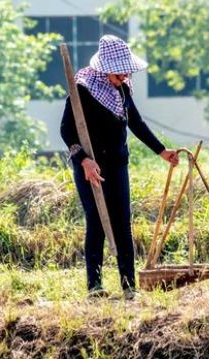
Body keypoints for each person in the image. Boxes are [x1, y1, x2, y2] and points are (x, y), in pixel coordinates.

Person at [60, 35, 179, 300]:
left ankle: (129, 286)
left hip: (117, 165)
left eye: (126, 72)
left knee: (122, 223)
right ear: (105, 69)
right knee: (97, 221)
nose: (124, 76)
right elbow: (67, 129)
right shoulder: (82, 89)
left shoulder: (123, 88)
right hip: (90, 167)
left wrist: (162, 151)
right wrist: (84, 160)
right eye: (119, 72)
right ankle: (95, 286)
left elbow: (135, 122)